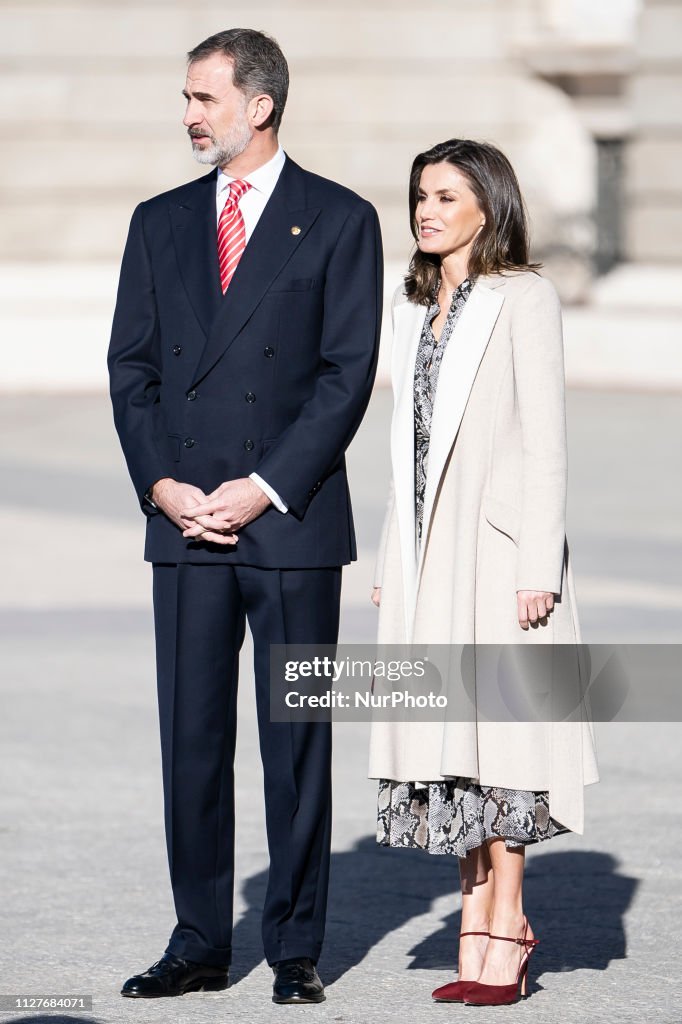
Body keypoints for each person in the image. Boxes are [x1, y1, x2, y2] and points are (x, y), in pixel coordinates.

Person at [108, 28, 382, 1006]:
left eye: (203, 98)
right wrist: (161, 485)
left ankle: (297, 944)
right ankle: (197, 940)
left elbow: (346, 376)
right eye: (186, 98)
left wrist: (262, 485)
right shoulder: (159, 221)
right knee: (191, 738)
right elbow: (131, 368)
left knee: (296, 738)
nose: (188, 114)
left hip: (291, 520)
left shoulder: (340, 219)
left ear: (258, 105)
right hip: (184, 520)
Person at [368, 139, 598, 1006]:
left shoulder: (523, 297)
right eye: (421, 194)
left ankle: (505, 920)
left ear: (488, 206)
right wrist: (396, 554)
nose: (427, 209)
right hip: (431, 552)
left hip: (500, 554)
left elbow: (547, 439)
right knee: (450, 742)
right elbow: (408, 451)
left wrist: (539, 563)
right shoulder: (412, 305)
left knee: (504, 739)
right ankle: (478, 917)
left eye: (447, 196)